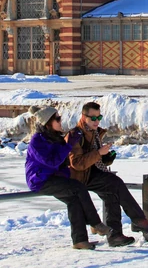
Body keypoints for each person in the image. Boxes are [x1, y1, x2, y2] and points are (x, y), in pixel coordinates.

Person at [68, 102, 148, 246]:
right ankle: (137, 220)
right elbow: (77, 164)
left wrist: (106, 158)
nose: (96, 121)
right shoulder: (75, 135)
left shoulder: (94, 133)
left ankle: (115, 235)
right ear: (83, 117)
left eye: (99, 117)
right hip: (80, 177)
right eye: (93, 118)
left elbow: (95, 159)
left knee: (112, 192)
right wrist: (99, 153)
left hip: (92, 173)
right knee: (115, 183)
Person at [24, 106, 113, 250]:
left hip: (55, 178)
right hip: (40, 180)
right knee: (78, 188)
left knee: (74, 200)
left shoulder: (56, 138)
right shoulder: (37, 141)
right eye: (57, 119)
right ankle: (95, 224)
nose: (61, 121)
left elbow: (64, 161)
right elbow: (52, 161)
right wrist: (69, 144)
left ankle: (80, 240)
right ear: (48, 123)